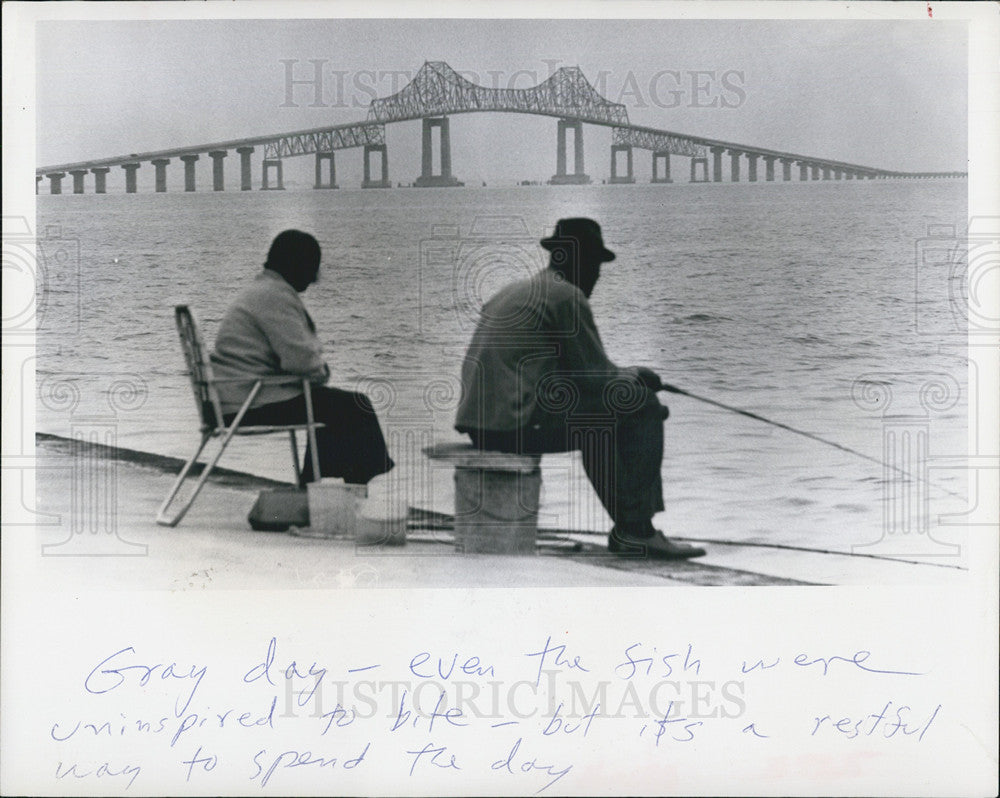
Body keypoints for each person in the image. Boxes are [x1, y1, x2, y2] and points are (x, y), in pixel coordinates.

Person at [454, 218, 705, 559]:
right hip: (511, 426)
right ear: (576, 261)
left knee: (601, 422)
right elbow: (598, 378)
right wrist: (640, 379)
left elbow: (577, 379)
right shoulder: (565, 296)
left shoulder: (515, 291)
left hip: (482, 427)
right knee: (642, 407)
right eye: (594, 265)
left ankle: (632, 528)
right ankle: (637, 531)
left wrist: (625, 378)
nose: (597, 275)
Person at [211, 229, 393, 485]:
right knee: (354, 406)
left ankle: (316, 484)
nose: (315, 279)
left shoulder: (262, 289)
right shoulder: (275, 296)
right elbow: (303, 361)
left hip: (233, 397)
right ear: (297, 266)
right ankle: (340, 486)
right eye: (312, 269)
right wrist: (321, 372)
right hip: (247, 404)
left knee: (331, 405)